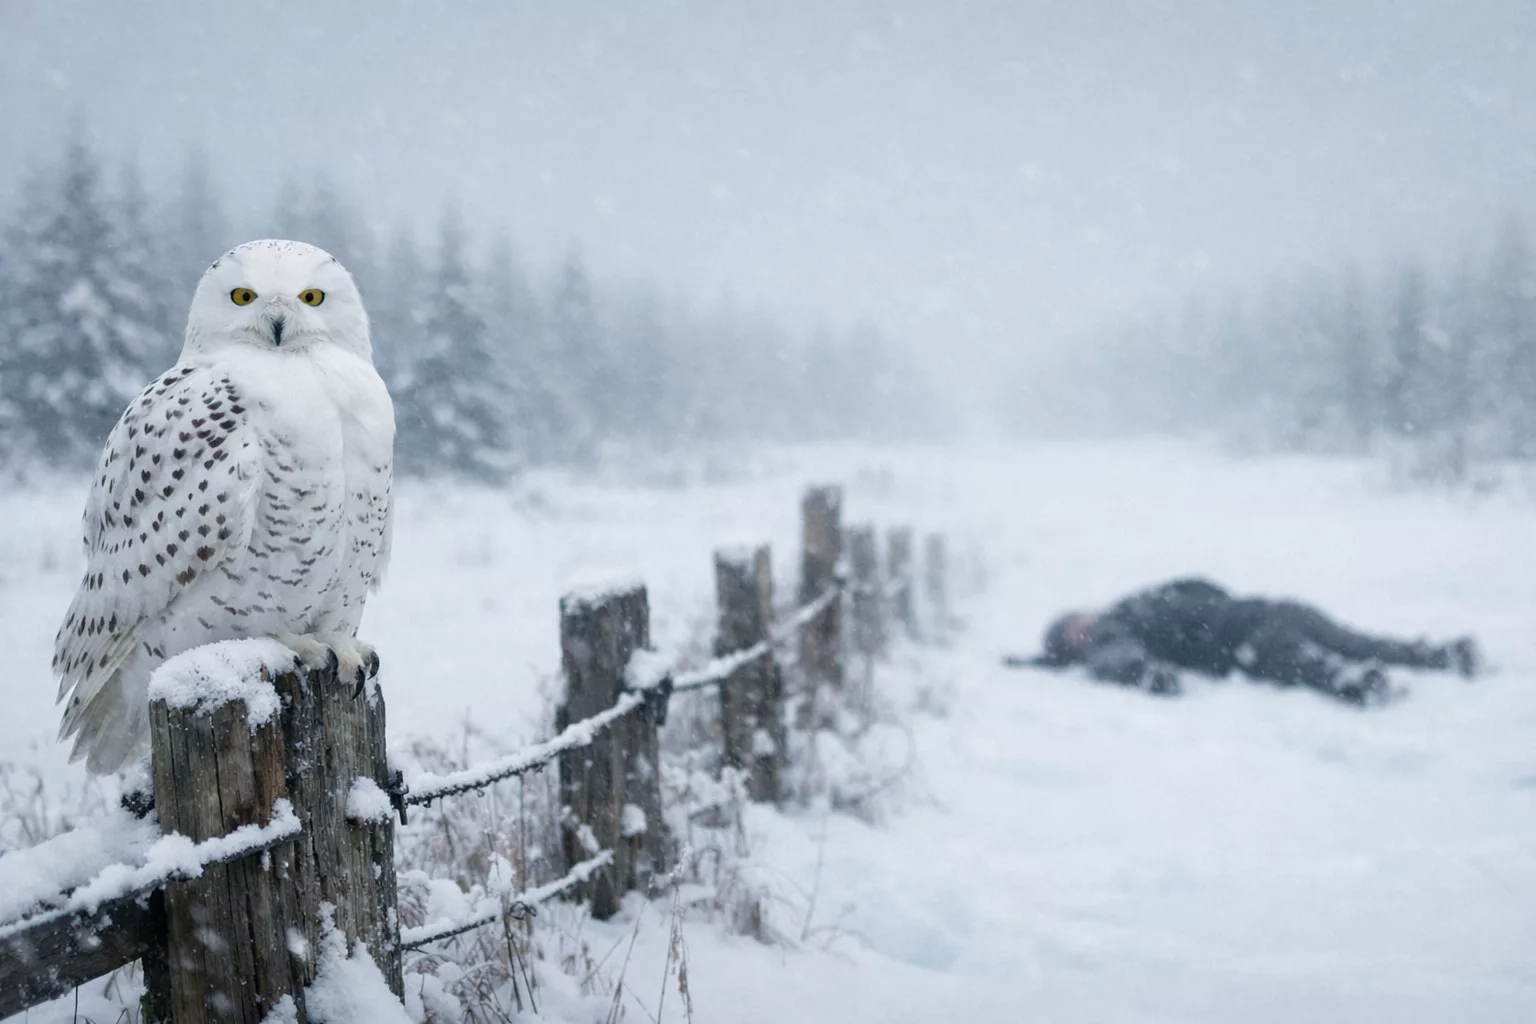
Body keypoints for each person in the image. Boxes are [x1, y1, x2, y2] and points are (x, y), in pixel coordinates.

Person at [1006, 577, 1479, 705]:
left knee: (1305, 664)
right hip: (1270, 609)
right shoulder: (1142, 600)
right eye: (1072, 633)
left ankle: (1356, 684)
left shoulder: (1113, 625)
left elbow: (1119, 657)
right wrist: (1218, 614)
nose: (1082, 629)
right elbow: (1202, 585)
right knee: (1356, 640)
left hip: (1251, 636)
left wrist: (1148, 675)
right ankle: (1438, 656)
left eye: (1074, 626)